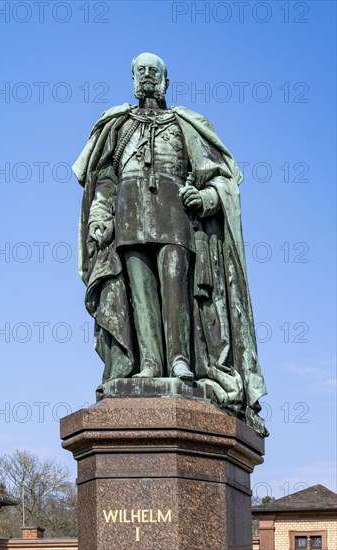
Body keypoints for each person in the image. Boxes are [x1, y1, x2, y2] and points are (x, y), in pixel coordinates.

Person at [73, 53, 267, 434]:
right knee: (140, 296)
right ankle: (147, 363)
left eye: (153, 71)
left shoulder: (185, 125)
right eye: (140, 71)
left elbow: (220, 178)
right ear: (132, 79)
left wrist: (208, 199)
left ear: (166, 80)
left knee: (176, 289)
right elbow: (104, 180)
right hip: (128, 222)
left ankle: (180, 361)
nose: (147, 77)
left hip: (175, 220)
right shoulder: (118, 126)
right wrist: (100, 217)